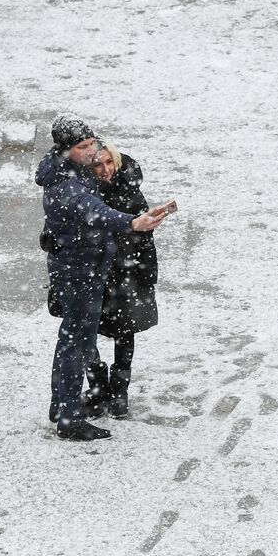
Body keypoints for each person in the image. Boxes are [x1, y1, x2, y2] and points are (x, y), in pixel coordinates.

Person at [36, 116, 165, 441]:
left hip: (81, 266)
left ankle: (61, 407)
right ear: (66, 151)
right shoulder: (67, 186)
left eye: (91, 142)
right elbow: (95, 211)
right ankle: (69, 418)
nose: (91, 150)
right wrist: (134, 223)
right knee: (76, 344)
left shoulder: (67, 168)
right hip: (80, 272)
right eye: (83, 147)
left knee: (71, 341)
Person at [86, 140, 160, 419]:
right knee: (85, 332)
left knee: (124, 332)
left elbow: (144, 238)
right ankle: (97, 387)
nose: (105, 170)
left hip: (124, 272)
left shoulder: (130, 189)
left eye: (108, 162)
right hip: (94, 271)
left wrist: (146, 273)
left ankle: (118, 392)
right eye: (97, 165)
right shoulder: (82, 193)